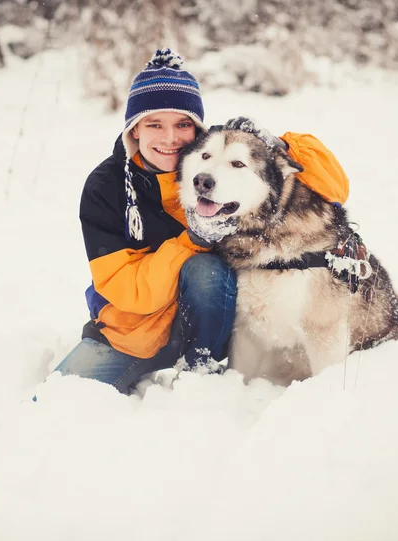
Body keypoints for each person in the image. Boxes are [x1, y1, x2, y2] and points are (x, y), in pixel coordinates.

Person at [52, 48, 350, 395]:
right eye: (154, 125)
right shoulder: (106, 187)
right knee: (56, 398)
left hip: (214, 325)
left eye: (183, 124)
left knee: (207, 271)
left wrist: (279, 145)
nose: (170, 138)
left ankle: (202, 375)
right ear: (134, 130)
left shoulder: (211, 158)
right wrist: (191, 240)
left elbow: (335, 187)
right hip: (133, 334)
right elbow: (126, 290)